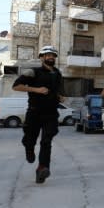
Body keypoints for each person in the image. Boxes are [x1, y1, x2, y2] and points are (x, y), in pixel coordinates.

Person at [12, 45, 65, 184]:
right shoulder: (33, 72)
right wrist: (36, 90)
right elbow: (16, 86)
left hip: (51, 113)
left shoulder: (58, 74)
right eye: (47, 55)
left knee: (47, 141)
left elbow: (58, 91)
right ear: (41, 57)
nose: (51, 57)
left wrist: (60, 96)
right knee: (30, 139)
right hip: (34, 112)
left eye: (53, 55)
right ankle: (29, 149)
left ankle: (42, 168)